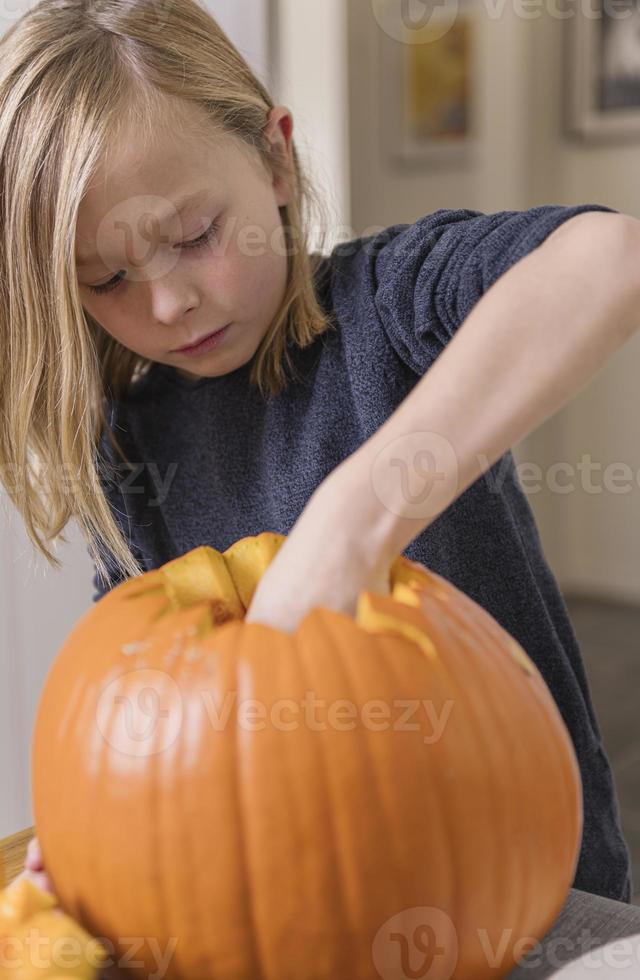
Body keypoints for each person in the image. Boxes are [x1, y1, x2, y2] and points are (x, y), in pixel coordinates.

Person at [1, 0, 639, 974]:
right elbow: (140, 697)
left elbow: (609, 258)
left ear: (275, 161)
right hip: (284, 936)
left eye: (194, 233)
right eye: (108, 278)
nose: (168, 300)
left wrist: (356, 514)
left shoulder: (387, 307)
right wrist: (101, 830)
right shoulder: (131, 438)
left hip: (518, 907)